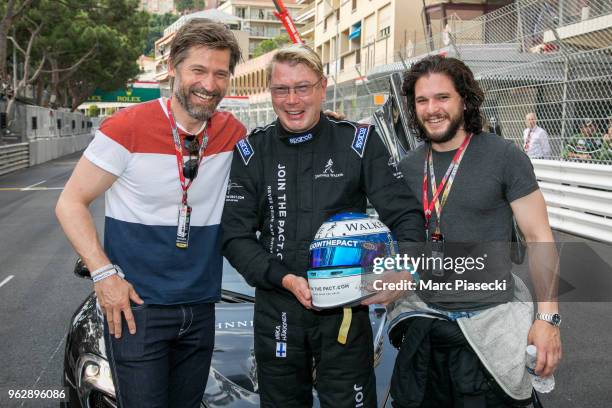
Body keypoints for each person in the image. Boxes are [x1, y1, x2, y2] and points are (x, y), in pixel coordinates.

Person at [220, 44, 424, 408]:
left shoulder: (358, 142)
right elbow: (234, 236)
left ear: (322, 87)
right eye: (282, 89)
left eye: (303, 87)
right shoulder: (252, 151)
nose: (292, 100)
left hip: (345, 310)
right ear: (270, 93)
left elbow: (406, 213)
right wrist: (283, 277)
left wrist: (404, 268)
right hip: (278, 306)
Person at [55, 19, 245, 408]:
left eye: (220, 73)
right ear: (173, 69)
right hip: (136, 310)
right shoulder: (126, 127)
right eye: (198, 70)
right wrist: (104, 274)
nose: (209, 84)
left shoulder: (232, 133)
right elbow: (70, 202)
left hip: (202, 308)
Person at [386, 55, 562, 407]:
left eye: (442, 97)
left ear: (464, 100)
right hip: (427, 330)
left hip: (491, 328)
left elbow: (540, 238)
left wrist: (548, 319)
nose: (432, 109)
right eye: (422, 100)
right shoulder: (405, 169)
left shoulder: (504, 156)